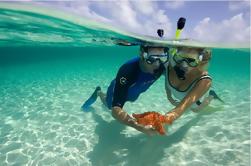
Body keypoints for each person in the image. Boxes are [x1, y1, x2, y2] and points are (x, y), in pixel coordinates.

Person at [82, 45, 169, 135]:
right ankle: (99, 92)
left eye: (161, 57)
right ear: (142, 54)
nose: (157, 64)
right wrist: (139, 127)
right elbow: (116, 110)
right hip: (118, 89)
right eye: (152, 58)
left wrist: (169, 93)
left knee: (128, 100)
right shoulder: (128, 70)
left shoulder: (162, 66)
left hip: (134, 93)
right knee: (109, 105)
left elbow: (172, 80)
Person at [164, 46, 224, 122]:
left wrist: (162, 120)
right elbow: (167, 82)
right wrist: (169, 97)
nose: (183, 65)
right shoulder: (170, 66)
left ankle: (211, 95)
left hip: (198, 103)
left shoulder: (205, 80)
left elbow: (180, 109)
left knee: (195, 110)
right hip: (184, 98)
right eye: (180, 58)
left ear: (201, 62)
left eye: (191, 61)